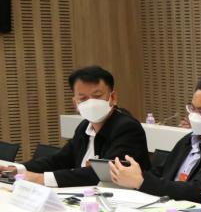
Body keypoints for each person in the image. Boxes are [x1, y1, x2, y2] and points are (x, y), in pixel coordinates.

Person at [1, 65, 150, 187]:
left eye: (97, 96)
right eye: (83, 98)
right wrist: (19, 169)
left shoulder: (127, 128)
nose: (91, 102)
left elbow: (103, 174)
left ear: (113, 98)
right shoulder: (84, 127)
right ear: (75, 103)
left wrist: (40, 178)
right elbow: (59, 160)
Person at [110, 77, 201, 203]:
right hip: (167, 205)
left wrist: (142, 182)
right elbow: (162, 172)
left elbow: (199, 191)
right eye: (192, 108)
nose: (193, 116)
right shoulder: (189, 139)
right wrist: (135, 174)